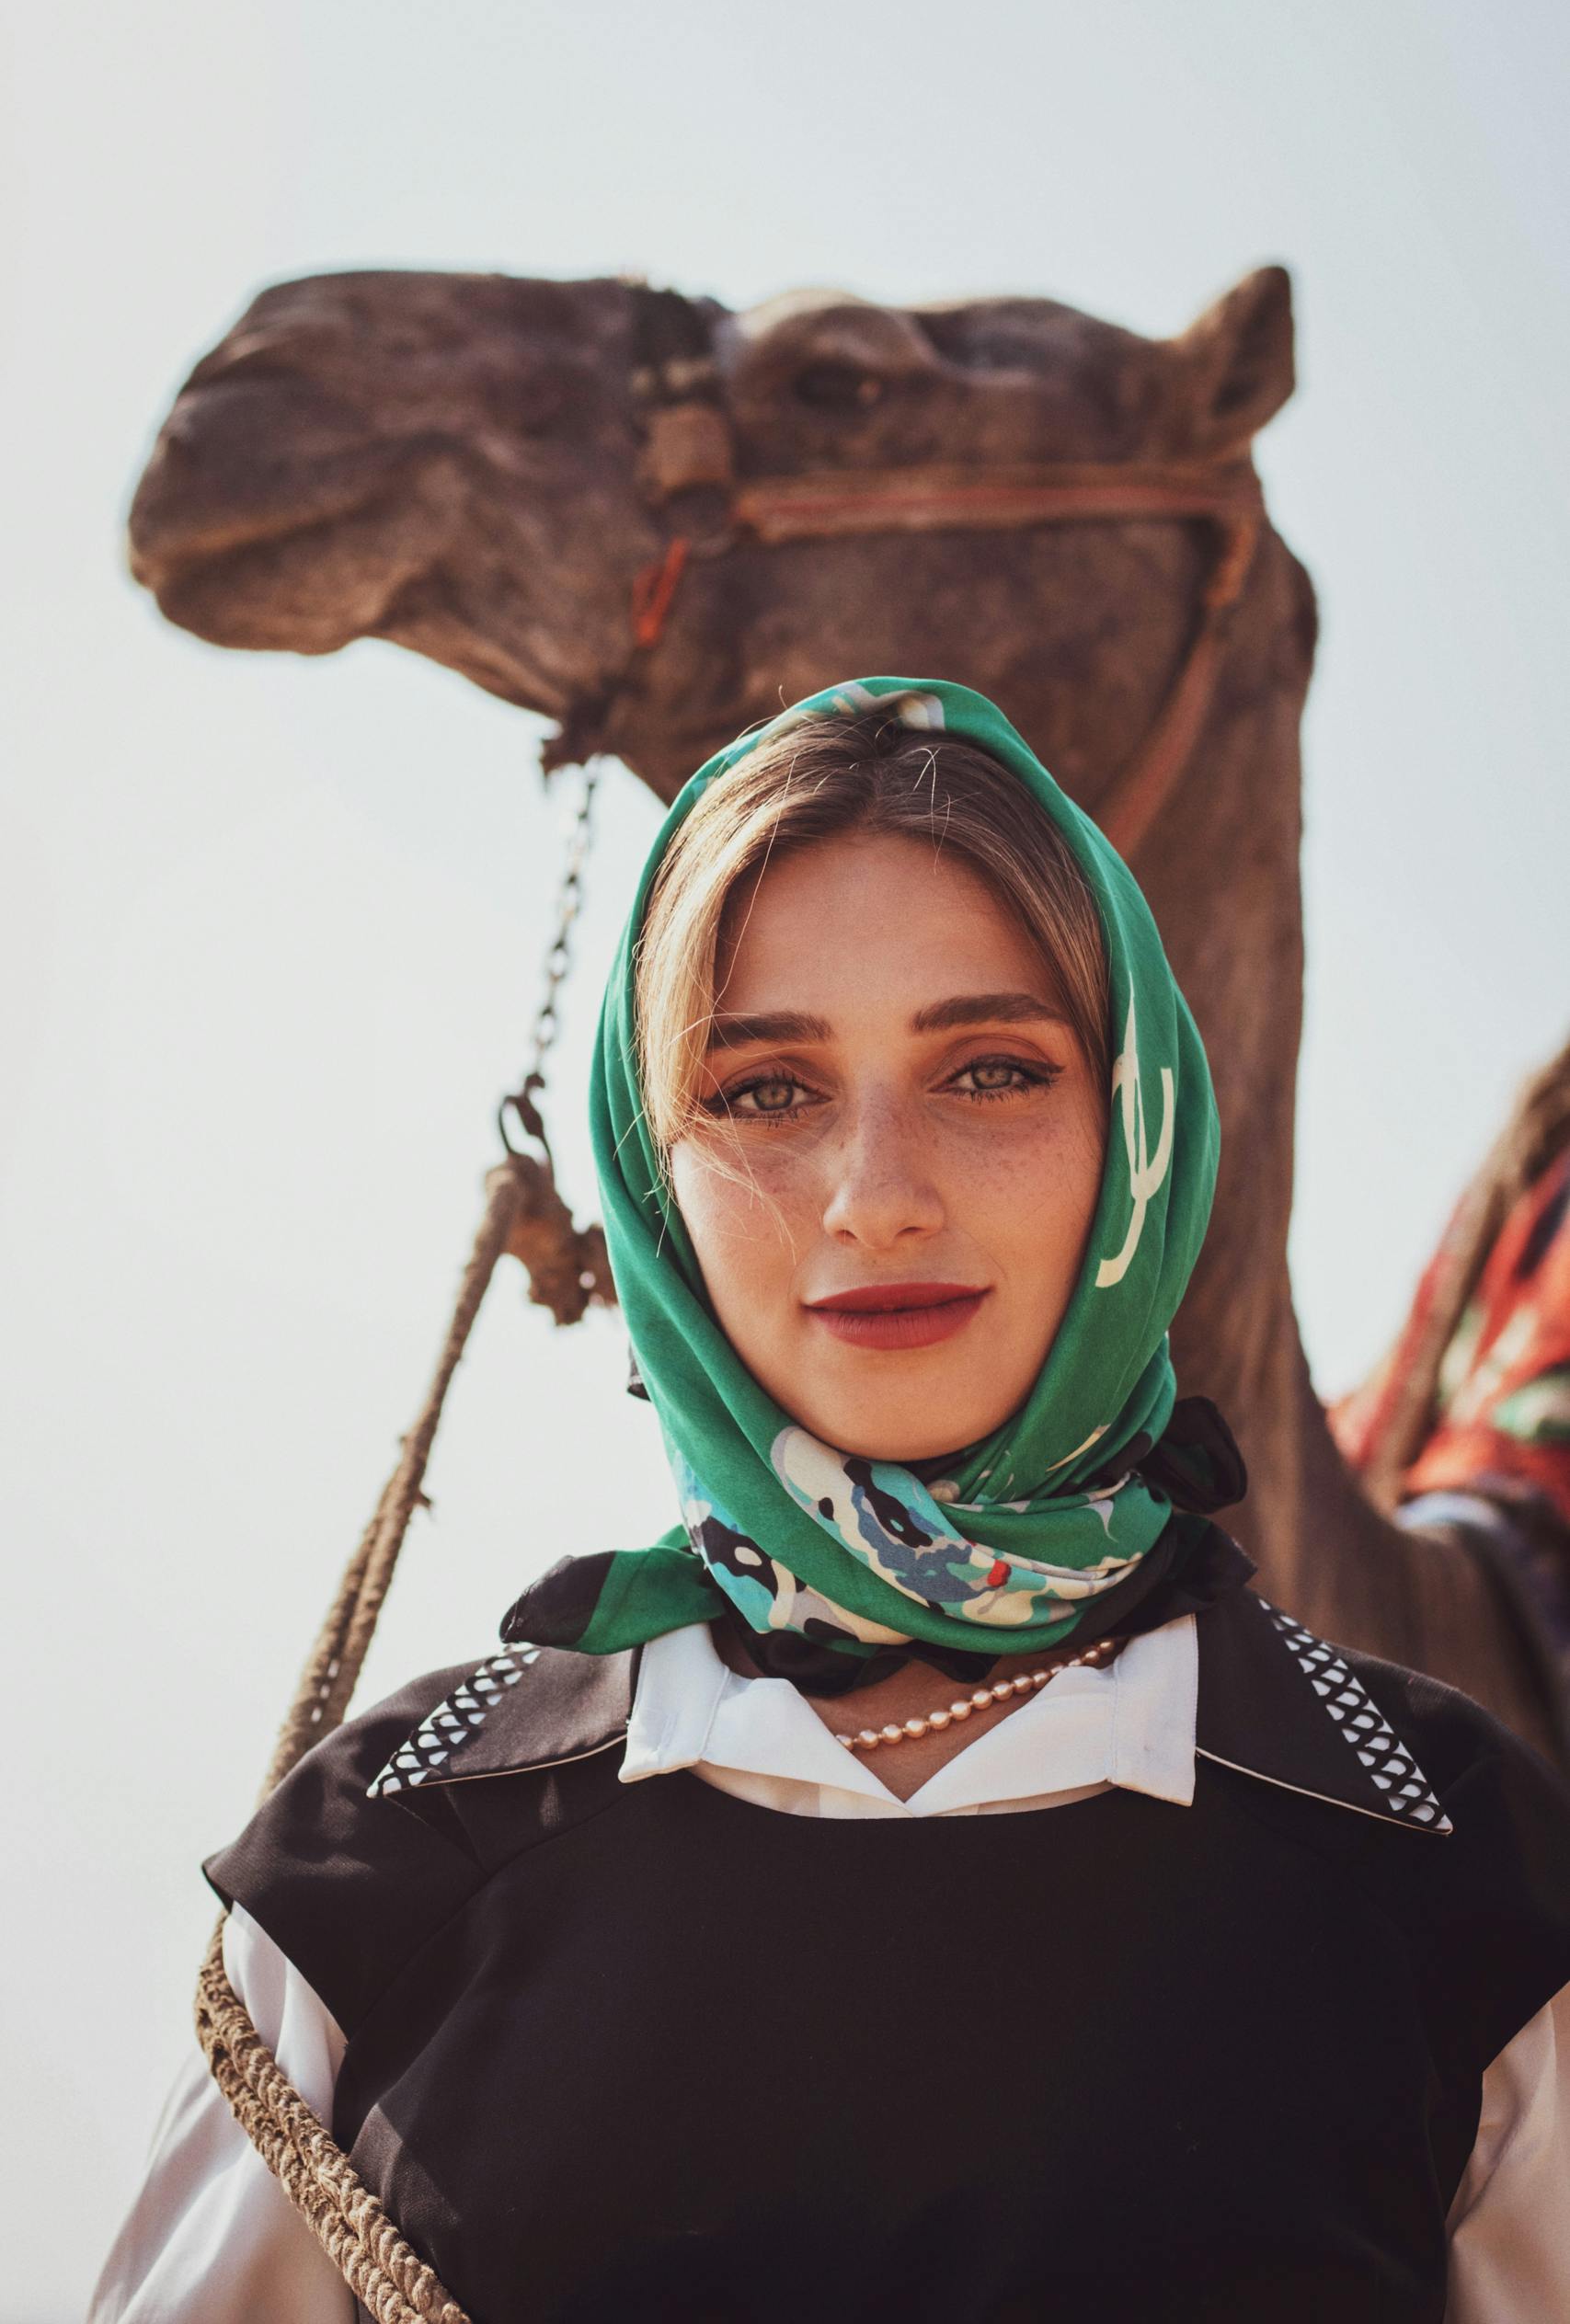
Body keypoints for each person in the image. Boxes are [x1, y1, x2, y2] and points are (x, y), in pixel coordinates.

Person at [93, 678, 1570, 2324]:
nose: (878, 1196)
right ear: (651, 1177)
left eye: (993, 1071)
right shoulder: (377, 1868)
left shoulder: (1466, 1872)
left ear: (1135, 1122)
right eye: (766, 1091)